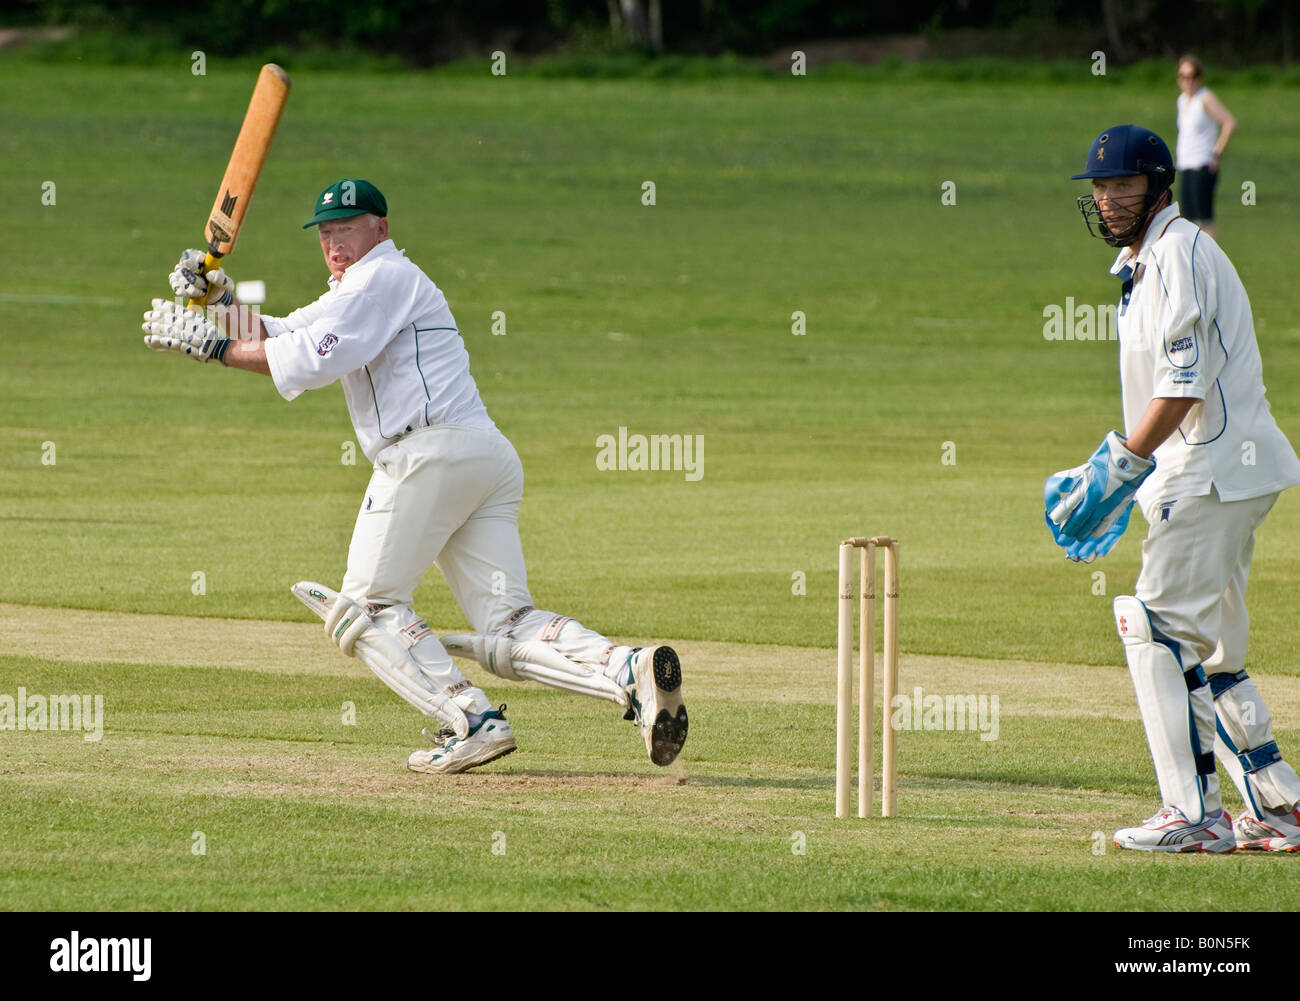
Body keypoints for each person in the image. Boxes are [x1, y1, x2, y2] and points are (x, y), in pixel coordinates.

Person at [141, 178, 688, 774]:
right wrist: (220, 302)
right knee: (507, 624)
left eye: (346, 228)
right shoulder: (360, 289)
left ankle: (472, 720)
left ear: (380, 227)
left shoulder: (382, 279)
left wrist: (214, 349)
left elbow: (313, 359)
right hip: (480, 456)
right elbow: (287, 334)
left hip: (427, 455)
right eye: (325, 233)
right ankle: (622, 668)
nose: (334, 243)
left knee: (366, 609)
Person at [1044, 126, 1300, 853]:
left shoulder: (1178, 252)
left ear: (1157, 187)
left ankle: (1192, 811)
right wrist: (1134, 469)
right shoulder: (1148, 262)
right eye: (1098, 189)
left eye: (1121, 187)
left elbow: (1182, 388)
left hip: (1212, 469)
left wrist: (1119, 465)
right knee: (1213, 650)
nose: (1106, 201)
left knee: (1152, 625)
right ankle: (1277, 806)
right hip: (1227, 471)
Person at [1175, 55, 1236, 240]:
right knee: (1187, 218)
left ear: (1199, 77)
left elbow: (1229, 123)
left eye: (1191, 76)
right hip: (1185, 164)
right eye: (1183, 76)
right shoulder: (1182, 100)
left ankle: (1211, 261)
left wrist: (1216, 153)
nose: (1187, 81)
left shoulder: (1205, 98)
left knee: (1204, 219)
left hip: (1202, 164)